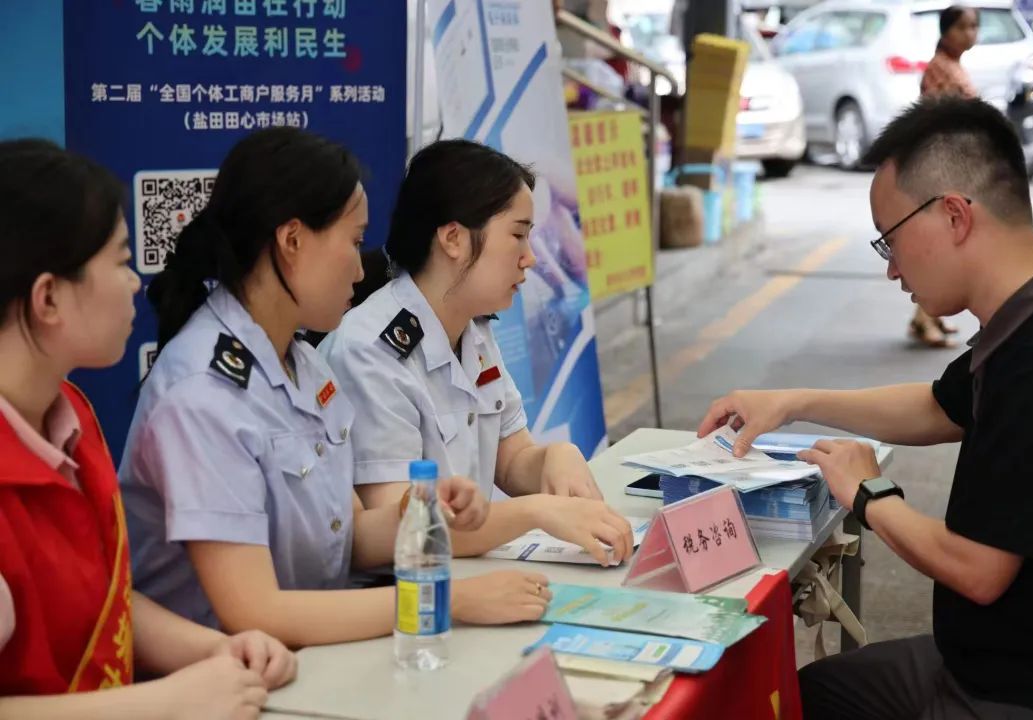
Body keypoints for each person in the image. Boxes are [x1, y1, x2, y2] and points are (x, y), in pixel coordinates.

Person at [119, 127, 609, 649]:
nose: (361, 269)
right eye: (353, 243)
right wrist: (450, 597)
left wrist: (428, 511)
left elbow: (351, 538)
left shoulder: (305, 366)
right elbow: (254, 611)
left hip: (316, 651)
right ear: (292, 241)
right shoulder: (205, 393)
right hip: (228, 673)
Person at [698, 97, 1033, 720]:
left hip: (1024, 692)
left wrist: (870, 493)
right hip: (981, 659)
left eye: (891, 239)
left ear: (954, 215)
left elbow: (978, 571)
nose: (892, 269)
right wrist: (793, 402)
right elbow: (939, 406)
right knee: (811, 694)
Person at [0, 139, 295, 719]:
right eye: (120, 260)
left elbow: (102, 602)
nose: (136, 282)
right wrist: (166, 702)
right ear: (48, 298)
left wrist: (214, 650)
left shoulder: (69, 415)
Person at [319, 139, 633, 564]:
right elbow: (406, 530)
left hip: (466, 572)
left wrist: (554, 458)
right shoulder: (370, 353)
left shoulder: (473, 328)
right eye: (517, 235)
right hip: (407, 588)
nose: (530, 258)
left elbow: (511, 458)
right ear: (453, 239)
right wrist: (536, 511)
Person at [909, 5, 979, 347]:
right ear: (946, 30)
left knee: (948, 239)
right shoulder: (939, 68)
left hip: (954, 165)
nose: (970, 33)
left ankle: (925, 316)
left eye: (974, 26)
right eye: (962, 26)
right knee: (942, 241)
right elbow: (938, 122)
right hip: (941, 167)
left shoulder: (954, 66)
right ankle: (924, 317)